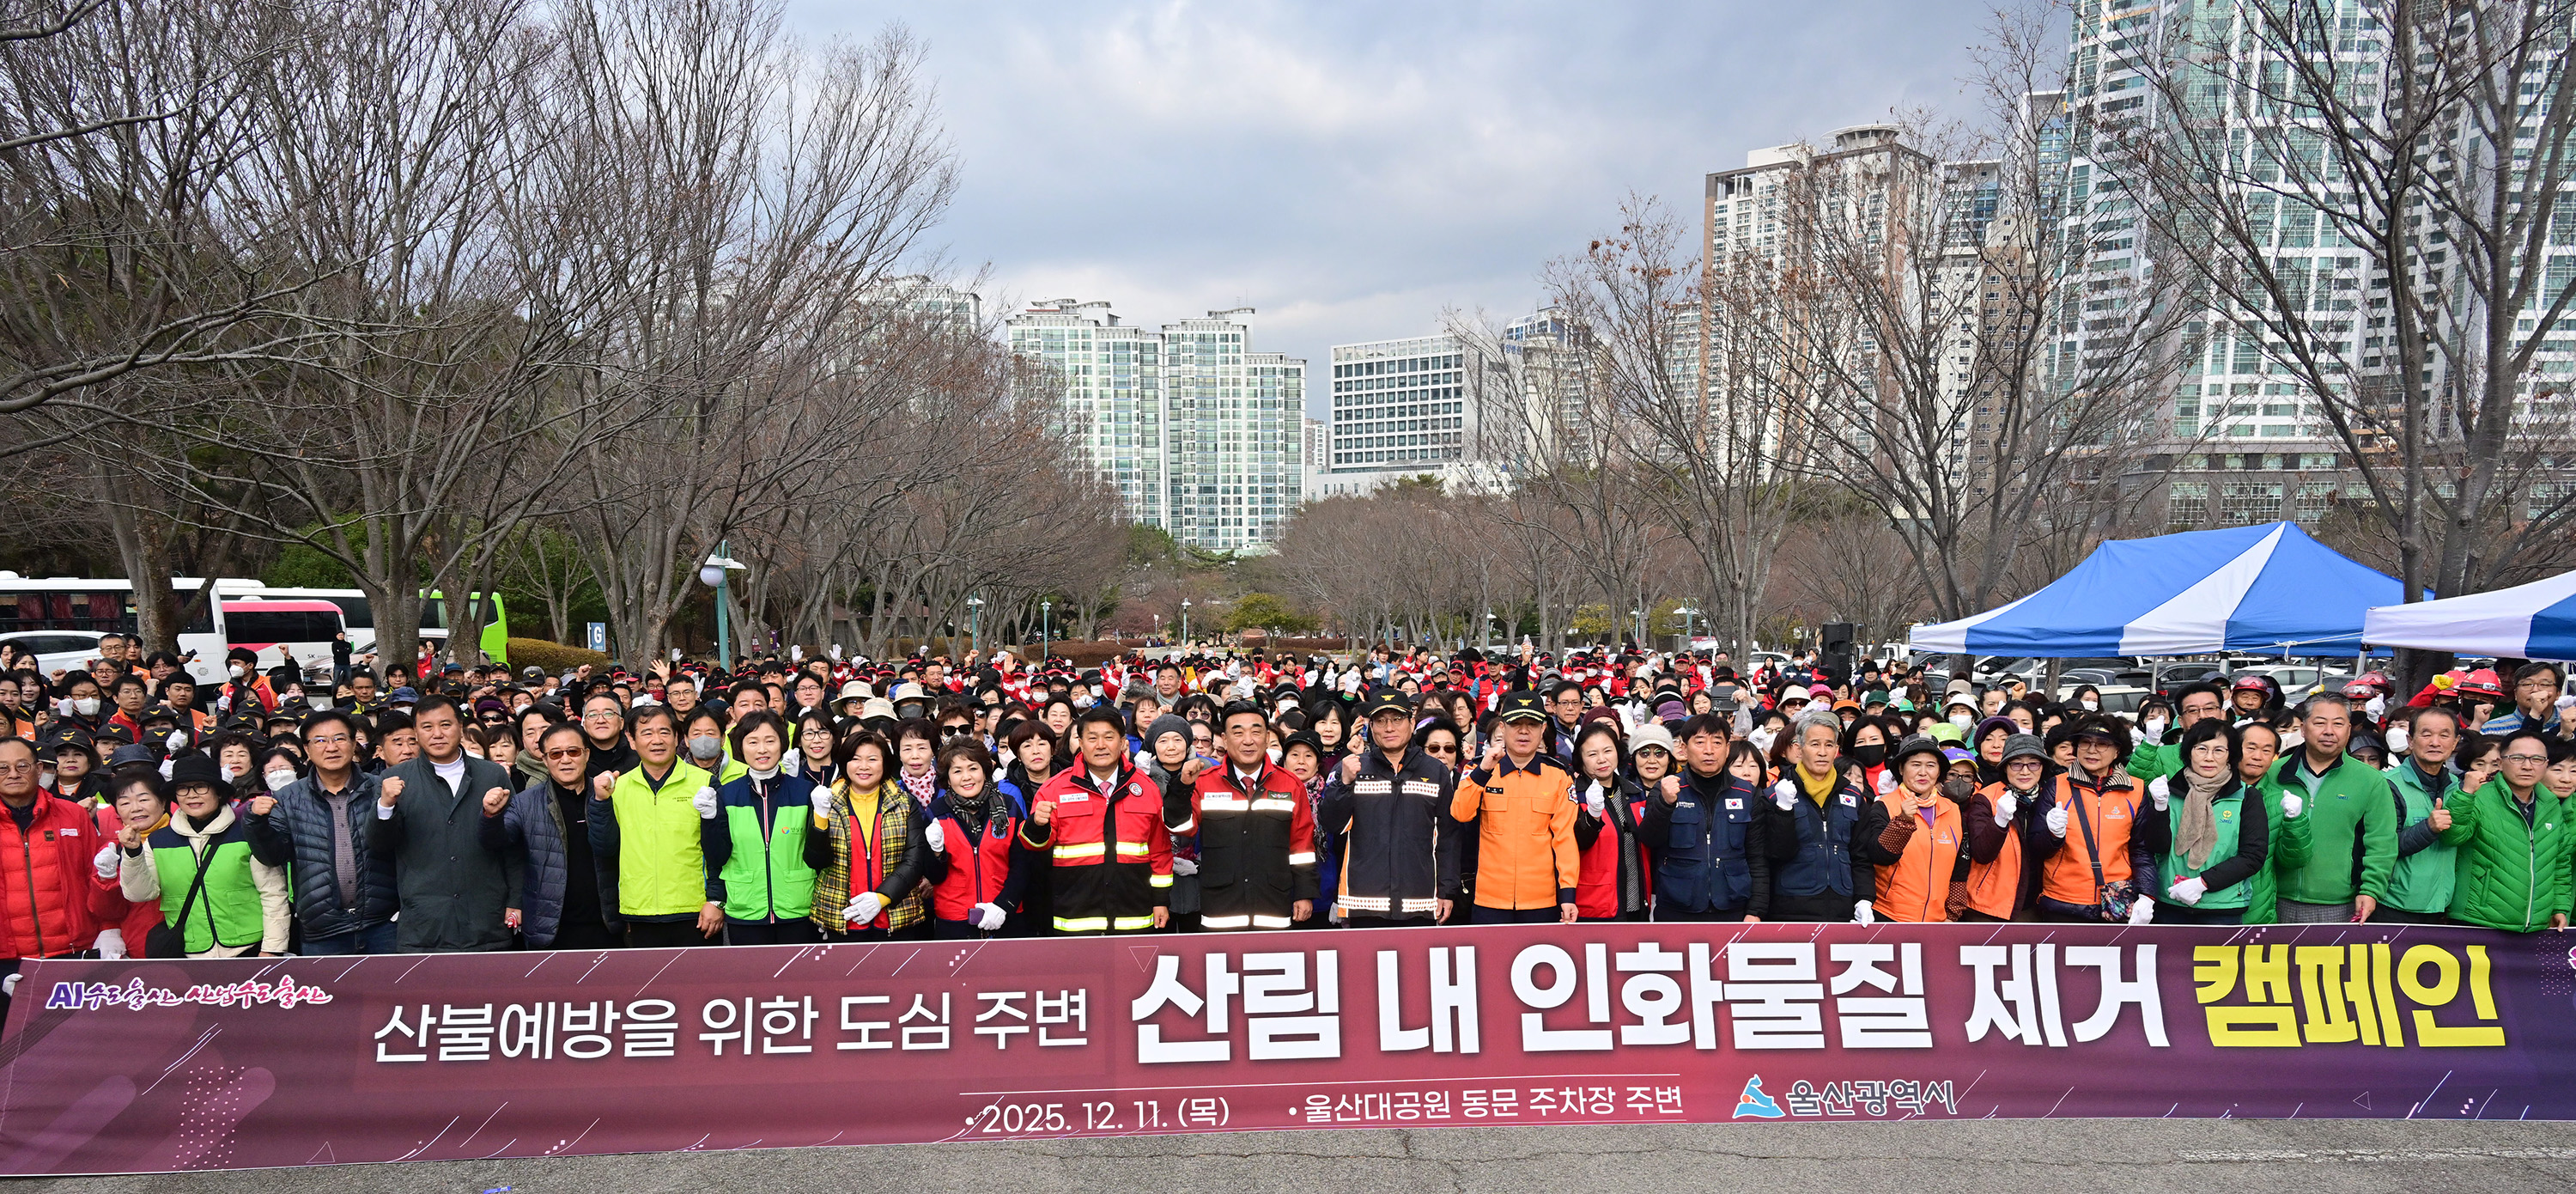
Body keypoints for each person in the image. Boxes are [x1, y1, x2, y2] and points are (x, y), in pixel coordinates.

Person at [371, 696, 520, 951]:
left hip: (486, 919)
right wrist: (385, 806)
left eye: (445, 725)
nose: (437, 734)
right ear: (416, 732)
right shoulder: (394, 779)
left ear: (461, 728)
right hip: (425, 924)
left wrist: (515, 901)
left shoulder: (491, 774)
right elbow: (379, 845)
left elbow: (514, 845)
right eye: (427, 727)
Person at [118, 753, 289, 958]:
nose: (192, 795)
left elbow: (273, 893)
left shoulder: (246, 834)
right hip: (190, 953)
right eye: (183, 789)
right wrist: (133, 853)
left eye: (201, 786)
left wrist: (272, 949)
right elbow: (139, 894)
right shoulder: (158, 841)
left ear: (218, 792)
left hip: (251, 950)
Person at [1021, 705, 1172, 935]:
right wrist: (1036, 825)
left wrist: (1161, 900)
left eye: (1108, 737)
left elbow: (1160, 850)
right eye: (1092, 738)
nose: (1100, 745)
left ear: (1123, 743)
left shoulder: (1146, 788)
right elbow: (1033, 845)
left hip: (1134, 917)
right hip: (1075, 918)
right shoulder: (1055, 789)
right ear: (1081, 744)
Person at [1315, 688, 1457, 928]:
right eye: (1380, 721)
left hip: (1420, 904)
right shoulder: (1350, 768)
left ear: (1412, 722)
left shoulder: (1435, 771)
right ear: (1371, 727)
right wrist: (1345, 784)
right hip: (1363, 905)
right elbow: (1331, 824)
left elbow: (1448, 837)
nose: (1389, 728)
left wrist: (1447, 889)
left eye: (1397, 719)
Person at [1170, 701, 1316, 930]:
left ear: (1267, 738)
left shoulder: (1290, 785)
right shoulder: (1204, 782)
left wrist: (1305, 893)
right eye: (1238, 733)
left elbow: (1302, 847)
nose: (1248, 740)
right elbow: (1180, 829)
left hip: (1274, 909)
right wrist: (1181, 788)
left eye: (1256, 732)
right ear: (1225, 740)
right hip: (1220, 911)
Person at [264, 710, 398, 954]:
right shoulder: (287, 799)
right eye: (320, 740)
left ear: (353, 742)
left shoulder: (381, 789)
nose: (331, 747)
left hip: (384, 925)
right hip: (322, 931)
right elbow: (272, 856)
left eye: (339, 738)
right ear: (306, 749)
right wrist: (255, 823)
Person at [1449, 691, 1579, 924]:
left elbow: (1565, 839)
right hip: (1489, 900)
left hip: (1542, 901)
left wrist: (1568, 893)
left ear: (1543, 730)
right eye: (1516, 723)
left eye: (1532, 724)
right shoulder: (1478, 770)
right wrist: (1483, 772)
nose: (1523, 731)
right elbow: (1460, 813)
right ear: (1503, 727)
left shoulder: (1558, 777)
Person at [486, 721, 617, 950]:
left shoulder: (609, 795)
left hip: (606, 923)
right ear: (545, 759)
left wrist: (602, 802)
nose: (565, 760)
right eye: (555, 754)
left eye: (573, 752)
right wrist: (490, 816)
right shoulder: (524, 802)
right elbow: (497, 842)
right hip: (550, 928)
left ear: (586, 754)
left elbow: (609, 846)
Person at [2269, 693, 2396, 923]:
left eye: (2338, 724)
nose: (2329, 731)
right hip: (2274, 897)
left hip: (2339, 902)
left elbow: (2382, 843)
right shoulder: (2273, 774)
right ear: (2304, 728)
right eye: (2319, 723)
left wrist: (2370, 890)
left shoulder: (2370, 780)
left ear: (2348, 730)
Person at [1641, 718, 1780, 922]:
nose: (1709, 750)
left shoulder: (1747, 794)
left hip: (1733, 909)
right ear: (1684, 748)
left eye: (1717, 742)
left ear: (1727, 748)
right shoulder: (1666, 789)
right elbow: (1649, 840)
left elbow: (1757, 858)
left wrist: (1755, 911)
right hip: (1676, 909)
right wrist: (1665, 804)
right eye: (1699, 742)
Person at [701, 711, 822, 945]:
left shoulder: (804, 792)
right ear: (741, 747)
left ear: (782, 744)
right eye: (753, 742)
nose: (762, 749)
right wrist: (708, 819)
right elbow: (717, 856)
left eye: (770, 740)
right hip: (745, 909)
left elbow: (818, 855)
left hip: (798, 909)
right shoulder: (726, 794)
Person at [2032, 716, 2167, 923]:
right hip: (2063, 900)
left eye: (2102, 744)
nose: (2092, 750)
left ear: (2118, 751)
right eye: (2085, 743)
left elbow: (2141, 850)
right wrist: (2053, 835)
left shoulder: (2136, 789)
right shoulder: (2056, 785)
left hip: (2116, 900)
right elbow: (2036, 848)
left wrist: (2147, 895)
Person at [2439, 729, 2575, 932]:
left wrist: (2560, 908)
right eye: (2518, 758)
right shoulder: (2478, 796)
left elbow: (2561, 864)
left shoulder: (2551, 804)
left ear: (2546, 765)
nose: (2527, 766)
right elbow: (2452, 837)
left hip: (2535, 925)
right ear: (2501, 763)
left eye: (2537, 759)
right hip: (2478, 921)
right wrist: (2465, 795)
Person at [804, 731, 933, 940]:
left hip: (897, 916)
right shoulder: (827, 801)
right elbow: (815, 860)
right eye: (855, 759)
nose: (864, 766)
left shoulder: (904, 803)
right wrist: (820, 816)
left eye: (872, 759)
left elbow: (914, 859)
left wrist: (882, 898)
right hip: (842, 917)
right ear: (845, 763)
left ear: (885, 763)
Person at [0, 737, 106, 990]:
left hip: (73, 951)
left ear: (39, 770)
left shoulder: (73, 814)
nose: (13, 774)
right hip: (8, 960)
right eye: (2, 768)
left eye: (22, 766)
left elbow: (98, 878)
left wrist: (109, 928)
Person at [2142, 720, 2269, 925]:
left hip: (2222, 906)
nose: (2209, 758)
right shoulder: (2170, 791)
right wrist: (2159, 808)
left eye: (2219, 750)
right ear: (2188, 752)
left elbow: (2253, 855)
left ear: (2231, 756)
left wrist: (2203, 883)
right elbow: (2156, 846)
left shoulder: (2246, 796)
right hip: (2170, 901)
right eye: (2201, 748)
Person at [1768, 709, 1885, 923]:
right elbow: (1775, 854)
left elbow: (1860, 856)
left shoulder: (1854, 796)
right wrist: (1783, 810)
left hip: (1843, 905)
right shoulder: (1776, 795)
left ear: (1837, 750)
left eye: (1829, 745)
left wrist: (1864, 899)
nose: (1822, 752)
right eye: (1815, 744)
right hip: (1791, 908)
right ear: (1799, 749)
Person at [921, 740, 1036, 938]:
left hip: (1005, 916)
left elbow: (1022, 864)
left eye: (973, 768)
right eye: (957, 771)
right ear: (948, 779)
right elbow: (935, 876)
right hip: (955, 921)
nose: (966, 777)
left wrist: (1003, 905)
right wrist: (936, 851)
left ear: (984, 771)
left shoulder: (1009, 807)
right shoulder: (936, 812)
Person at [1864, 734, 1970, 923]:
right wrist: (1903, 821)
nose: (1923, 772)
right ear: (1901, 769)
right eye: (1915, 764)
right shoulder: (1884, 805)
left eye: (1931, 765)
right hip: (1891, 916)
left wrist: (1952, 914)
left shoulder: (1952, 809)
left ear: (1939, 772)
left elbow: (1960, 867)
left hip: (1937, 921)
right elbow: (1879, 856)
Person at [2378, 705, 2464, 925]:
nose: (2435, 742)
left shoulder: (2458, 787)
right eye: (2426, 734)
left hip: (2443, 905)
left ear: (2455, 742)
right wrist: (2429, 828)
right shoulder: (2388, 785)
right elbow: (2384, 847)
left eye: (2444, 735)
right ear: (2410, 740)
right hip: (2395, 906)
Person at [1568, 720, 1647, 922]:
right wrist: (1593, 816)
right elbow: (1576, 843)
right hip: (1594, 905)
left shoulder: (1635, 793)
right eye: (1592, 754)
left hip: (1636, 900)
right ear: (1581, 759)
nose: (1602, 760)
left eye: (1608, 751)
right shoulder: (1573, 795)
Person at [1961, 733, 2046, 921]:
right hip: (1990, 906)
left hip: (2034, 904)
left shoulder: (2049, 797)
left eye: (2033, 763)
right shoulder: (1985, 798)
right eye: (2016, 764)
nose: (2025, 772)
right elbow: (1982, 853)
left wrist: (2056, 836)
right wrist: (1999, 822)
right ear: (2005, 767)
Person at [2477, 662, 2564, 738]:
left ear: (2558, 693)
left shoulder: (2568, 723)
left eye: (2544, 684)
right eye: (2527, 684)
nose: (2535, 690)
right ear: (2515, 694)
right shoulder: (2491, 728)